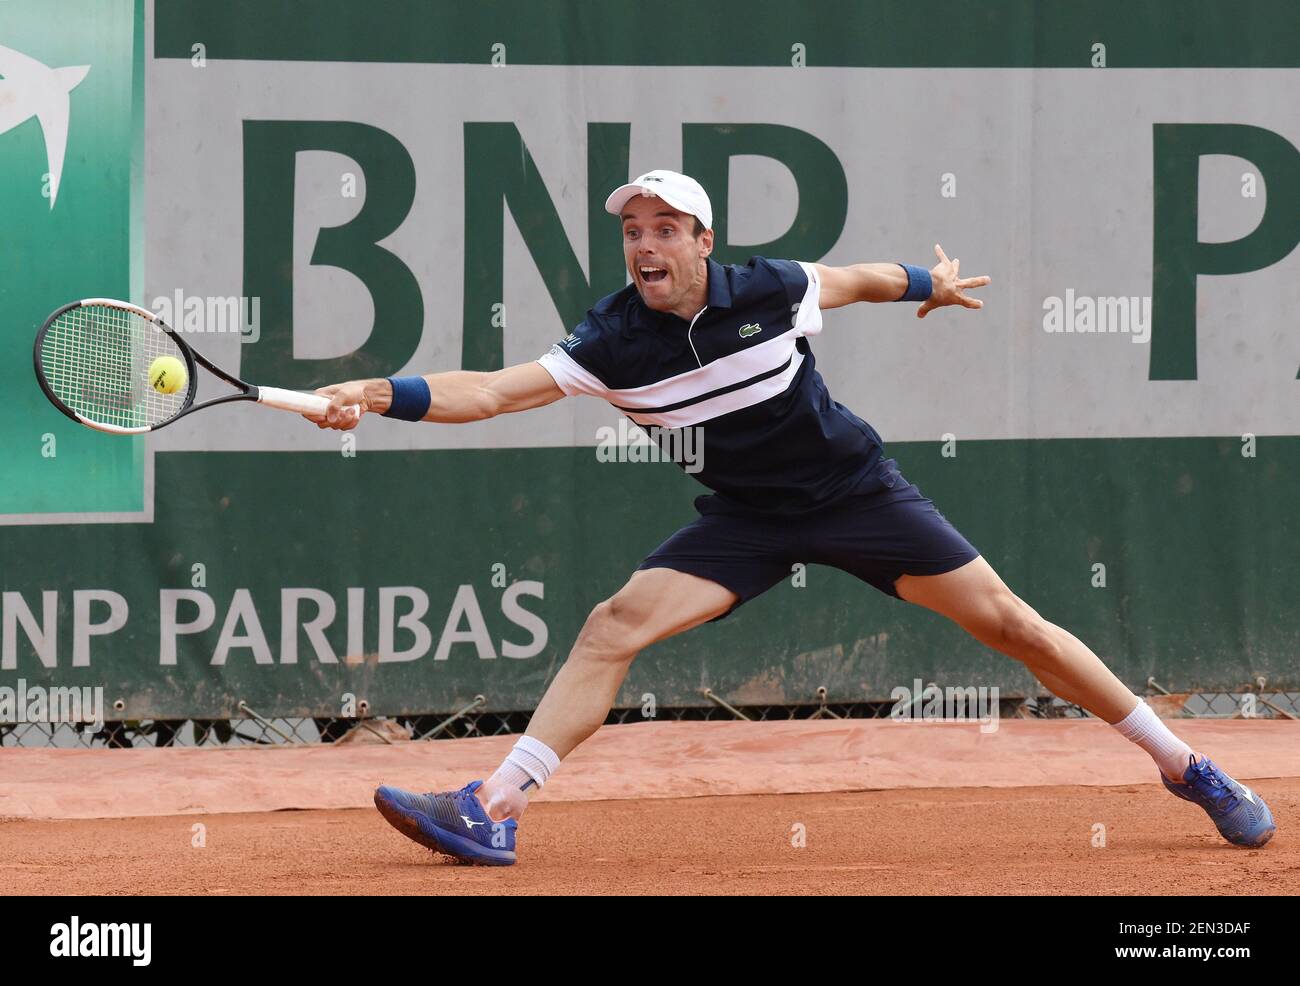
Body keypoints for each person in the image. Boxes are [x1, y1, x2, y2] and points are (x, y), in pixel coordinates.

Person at [309, 170, 1275, 865]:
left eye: (663, 227)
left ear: (700, 241)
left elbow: (857, 280)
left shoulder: (768, 290)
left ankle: (1187, 766)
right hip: (746, 519)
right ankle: (496, 806)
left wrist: (931, 284)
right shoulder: (609, 338)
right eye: (631, 230)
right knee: (613, 626)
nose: (644, 243)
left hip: (858, 495)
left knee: (1015, 627)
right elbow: (489, 392)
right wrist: (374, 391)